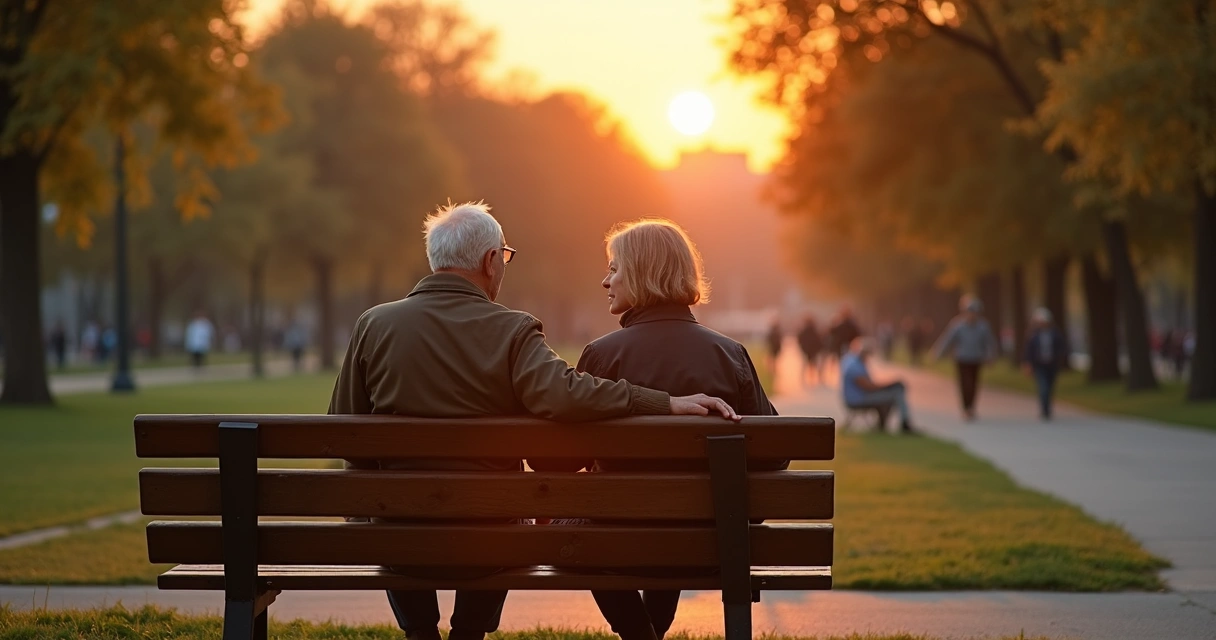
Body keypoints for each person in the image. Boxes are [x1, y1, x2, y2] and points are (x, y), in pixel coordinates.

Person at [328, 203, 739, 640]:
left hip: (399, 540)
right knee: (506, 521)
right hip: (488, 542)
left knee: (397, 517)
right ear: (490, 261)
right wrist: (660, 403)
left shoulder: (373, 325)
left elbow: (344, 433)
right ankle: (469, 632)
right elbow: (563, 394)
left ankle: (420, 633)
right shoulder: (512, 329)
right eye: (503, 257)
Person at [529, 218, 779, 640]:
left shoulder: (603, 356)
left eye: (614, 268)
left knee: (576, 528)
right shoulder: (729, 354)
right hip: (712, 542)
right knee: (676, 515)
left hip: (616, 539)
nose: (604, 280)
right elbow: (774, 450)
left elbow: (556, 461)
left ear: (643, 273)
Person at [933, 295, 998, 421]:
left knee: (973, 384)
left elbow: (990, 342)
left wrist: (991, 356)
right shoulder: (957, 325)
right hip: (962, 359)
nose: (971, 315)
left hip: (976, 359)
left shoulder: (983, 326)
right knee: (964, 384)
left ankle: (971, 407)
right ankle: (966, 407)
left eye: (974, 312)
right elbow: (947, 340)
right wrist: (937, 353)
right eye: (969, 312)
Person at [840, 337, 918, 433]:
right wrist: (890, 385)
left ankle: (885, 424)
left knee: (894, 392)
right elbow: (868, 386)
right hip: (858, 399)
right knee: (896, 394)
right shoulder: (853, 365)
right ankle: (904, 424)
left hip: (862, 396)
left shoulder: (854, 361)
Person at [1023, 307, 1069, 421]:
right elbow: (1028, 350)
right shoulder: (1033, 335)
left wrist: (1060, 359)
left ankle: (1048, 407)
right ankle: (1044, 409)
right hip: (1039, 365)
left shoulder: (1055, 334)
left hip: (1052, 365)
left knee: (1050, 387)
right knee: (1043, 387)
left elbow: (1062, 347)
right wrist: (1027, 363)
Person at [796, 315, 824, 386]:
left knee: (804, 366)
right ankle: (819, 379)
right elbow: (819, 341)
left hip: (805, 351)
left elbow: (799, 340)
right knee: (816, 366)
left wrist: (802, 348)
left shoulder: (802, 331)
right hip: (814, 351)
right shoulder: (815, 331)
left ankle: (803, 380)